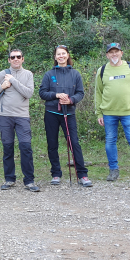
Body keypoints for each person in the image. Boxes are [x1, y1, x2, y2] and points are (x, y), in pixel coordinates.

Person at [94, 42, 130, 185]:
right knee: (110, 142)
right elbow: (98, 93)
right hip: (108, 113)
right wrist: (99, 113)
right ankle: (113, 170)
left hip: (129, 112)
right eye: (111, 52)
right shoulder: (102, 70)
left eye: (116, 52)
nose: (114, 54)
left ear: (121, 53)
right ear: (107, 55)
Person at [0, 49, 40, 192]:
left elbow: (28, 93)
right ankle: (9, 179)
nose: (16, 59)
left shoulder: (28, 74)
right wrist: (2, 86)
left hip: (22, 116)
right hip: (5, 116)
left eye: (18, 57)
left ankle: (29, 181)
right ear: (9, 60)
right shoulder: (2, 74)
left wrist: (13, 80)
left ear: (23, 59)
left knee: (26, 147)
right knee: (8, 148)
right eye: (12, 57)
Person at [39, 45, 92, 187]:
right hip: (51, 113)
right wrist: (56, 95)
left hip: (69, 113)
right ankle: (56, 173)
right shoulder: (49, 75)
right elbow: (42, 93)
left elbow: (80, 93)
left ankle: (82, 174)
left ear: (67, 55)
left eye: (63, 53)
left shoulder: (75, 74)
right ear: (55, 57)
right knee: (52, 144)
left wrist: (70, 100)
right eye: (58, 54)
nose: (61, 56)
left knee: (74, 143)